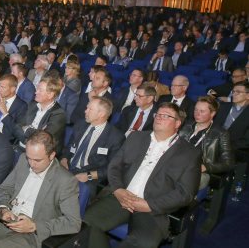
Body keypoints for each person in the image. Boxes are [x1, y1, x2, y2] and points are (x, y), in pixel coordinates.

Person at [80, 102, 201, 248]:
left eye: (166, 116)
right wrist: (118, 190)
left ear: (177, 123)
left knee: (144, 242)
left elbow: (185, 193)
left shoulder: (189, 153)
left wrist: (149, 205)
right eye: (158, 114)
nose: (159, 118)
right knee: (85, 224)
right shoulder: (136, 137)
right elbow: (114, 167)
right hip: (121, 197)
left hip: (152, 208)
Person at [0, 130, 82, 248]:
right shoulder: (23, 159)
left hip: (29, 234)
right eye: (29, 158)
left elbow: (73, 222)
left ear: (51, 155)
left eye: (37, 160)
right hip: (7, 220)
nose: (32, 164)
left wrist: (34, 226)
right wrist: (4, 208)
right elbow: (5, 188)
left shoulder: (65, 180)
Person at [61, 97, 125, 199]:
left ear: (101, 114)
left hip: (90, 175)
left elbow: (111, 167)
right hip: (67, 168)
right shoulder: (80, 124)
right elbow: (69, 147)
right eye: (87, 108)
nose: (85, 111)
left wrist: (89, 175)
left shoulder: (115, 137)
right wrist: (64, 159)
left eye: (90, 109)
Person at [179, 96, 234, 189]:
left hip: (197, 171)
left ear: (212, 113)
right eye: (196, 110)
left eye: (202, 111)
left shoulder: (221, 134)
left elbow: (228, 163)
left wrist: (206, 167)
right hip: (177, 164)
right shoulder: (186, 125)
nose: (197, 114)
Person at [2, 76, 66, 153]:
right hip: (18, 147)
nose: (36, 92)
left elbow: (43, 140)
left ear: (50, 95)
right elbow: (16, 128)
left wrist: (26, 129)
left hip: (38, 155)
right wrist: (34, 132)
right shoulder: (32, 105)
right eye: (37, 89)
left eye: (40, 90)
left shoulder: (58, 114)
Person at [214, 81, 249, 152]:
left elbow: (246, 142)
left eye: (238, 92)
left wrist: (225, 147)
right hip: (213, 142)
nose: (234, 94)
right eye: (233, 91)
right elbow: (213, 126)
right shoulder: (222, 106)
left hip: (235, 150)